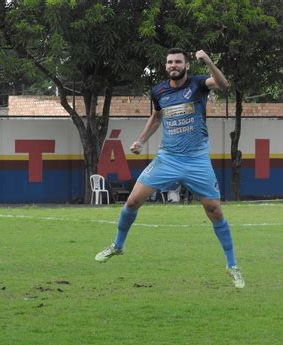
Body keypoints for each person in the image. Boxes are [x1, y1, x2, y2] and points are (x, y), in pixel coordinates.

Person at [95, 48, 244, 289]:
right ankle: (118, 246)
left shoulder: (198, 85)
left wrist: (208, 61)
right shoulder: (159, 91)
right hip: (168, 159)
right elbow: (156, 118)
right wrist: (141, 141)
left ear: (186, 65)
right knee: (132, 202)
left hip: (196, 160)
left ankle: (232, 265)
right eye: (169, 62)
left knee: (214, 210)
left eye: (178, 62)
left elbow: (223, 83)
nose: (173, 65)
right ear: (166, 67)